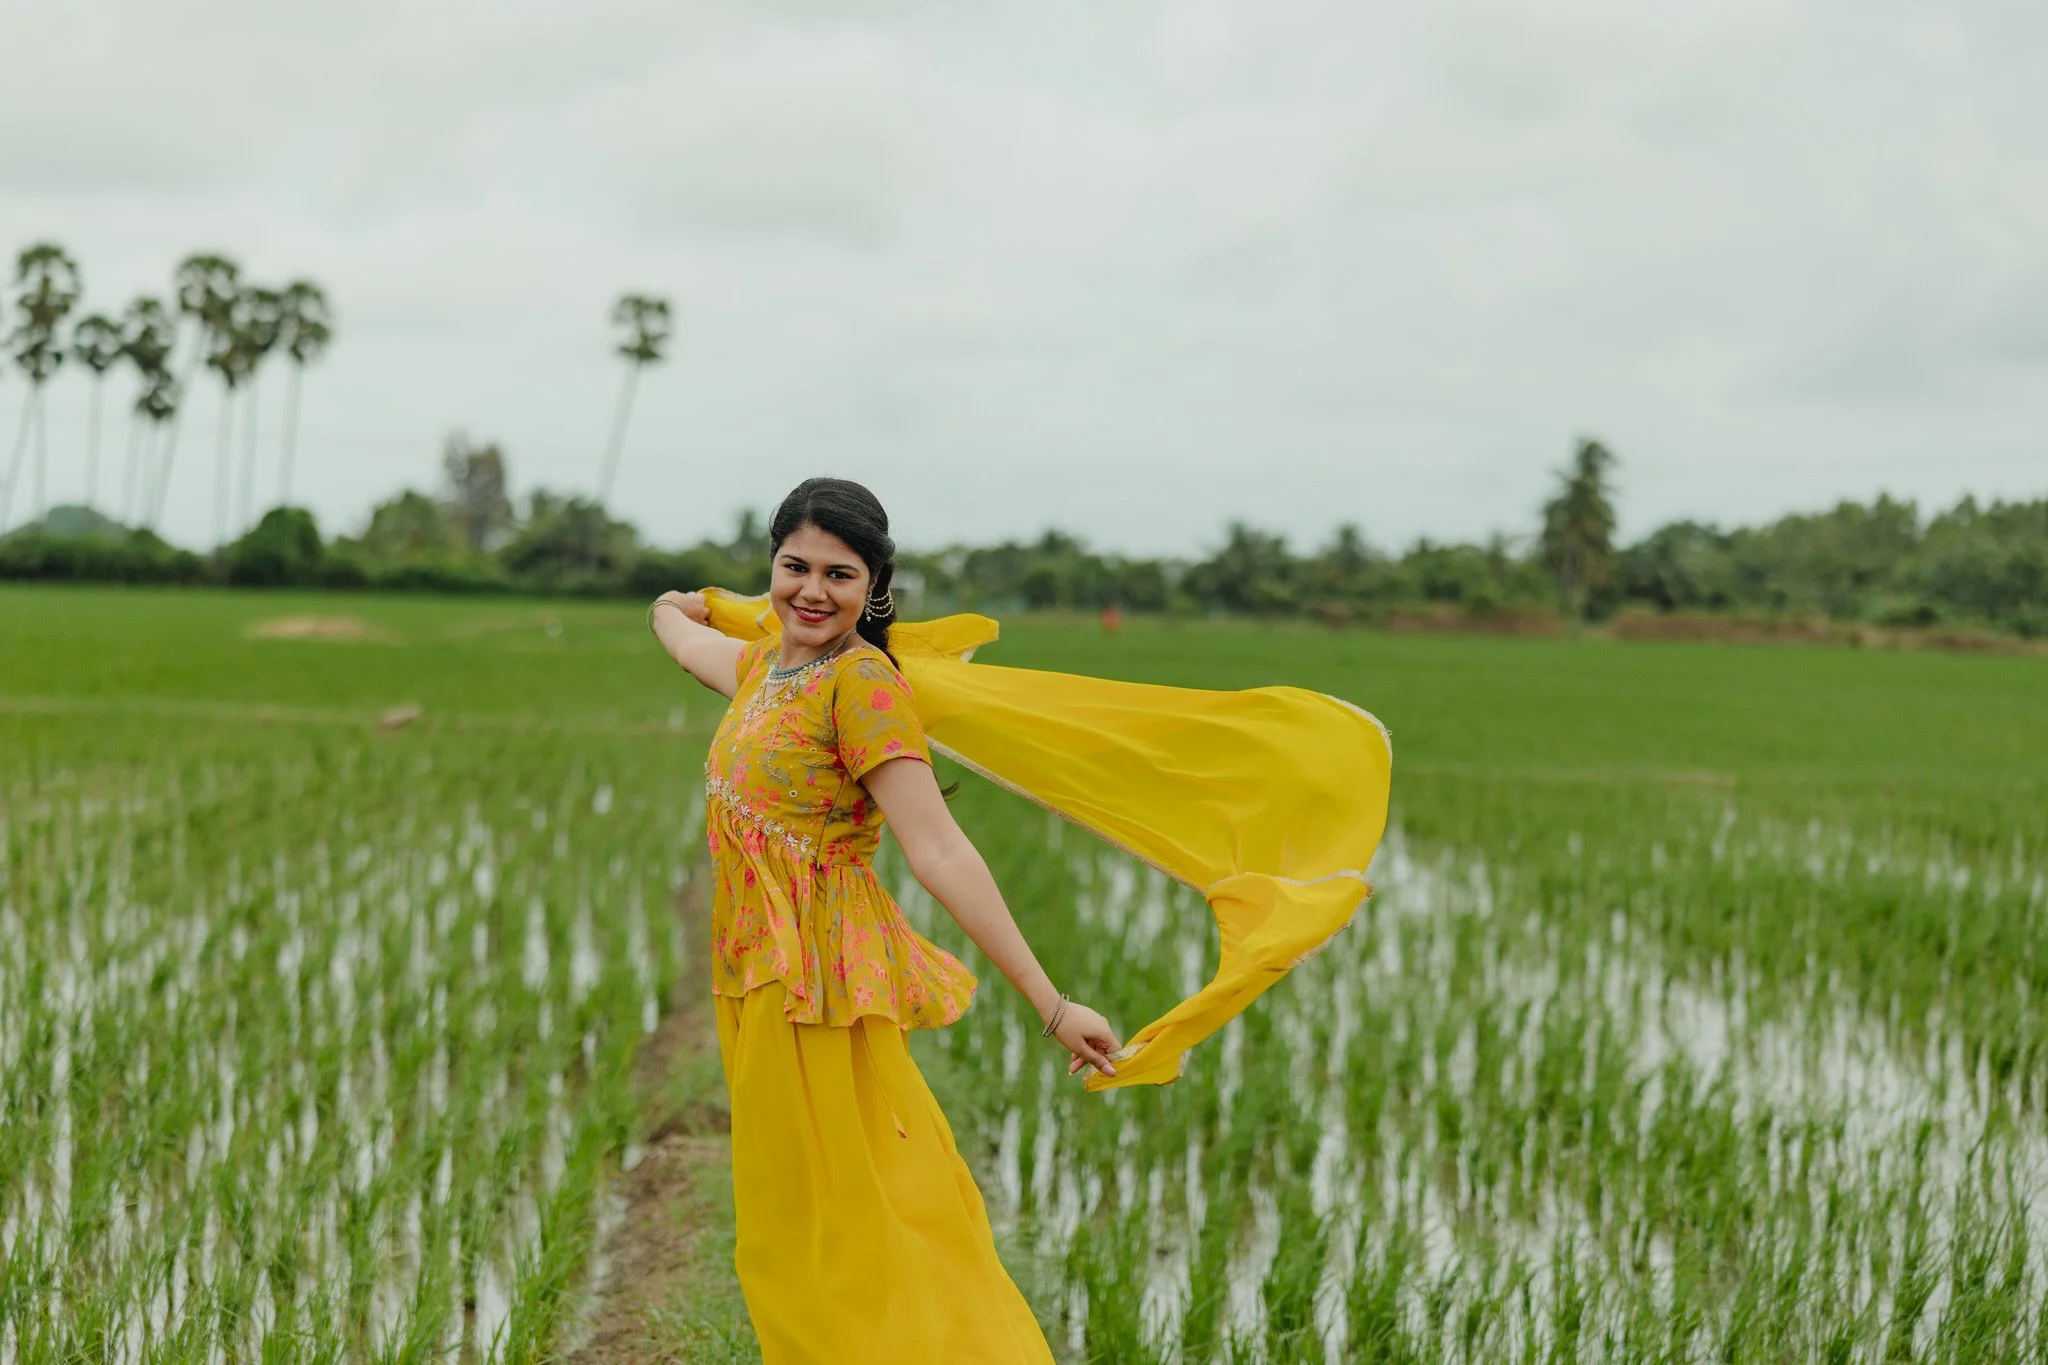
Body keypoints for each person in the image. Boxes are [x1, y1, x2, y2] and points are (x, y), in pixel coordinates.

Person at [646, 476, 1119, 1364]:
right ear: (772, 566)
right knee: (788, 1225)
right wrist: (682, 605)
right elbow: (682, 638)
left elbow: (939, 851)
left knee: (854, 1226)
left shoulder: (861, 685)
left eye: (840, 574)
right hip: (755, 978)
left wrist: (1052, 1003)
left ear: (873, 587)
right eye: (795, 567)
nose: (812, 591)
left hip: (820, 991)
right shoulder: (764, 667)